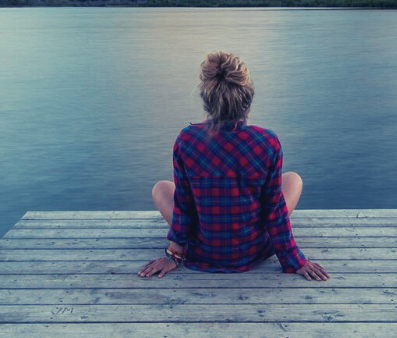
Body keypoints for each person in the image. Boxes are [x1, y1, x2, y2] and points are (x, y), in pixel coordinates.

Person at [139, 51, 329, 281]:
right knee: (293, 180)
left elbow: (184, 205)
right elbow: (274, 210)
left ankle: (193, 244)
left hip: (202, 250)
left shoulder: (187, 139)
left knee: (161, 188)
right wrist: (293, 260)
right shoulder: (267, 142)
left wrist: (173, 255)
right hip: (252, 251)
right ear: (248, 97)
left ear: (206, 98)